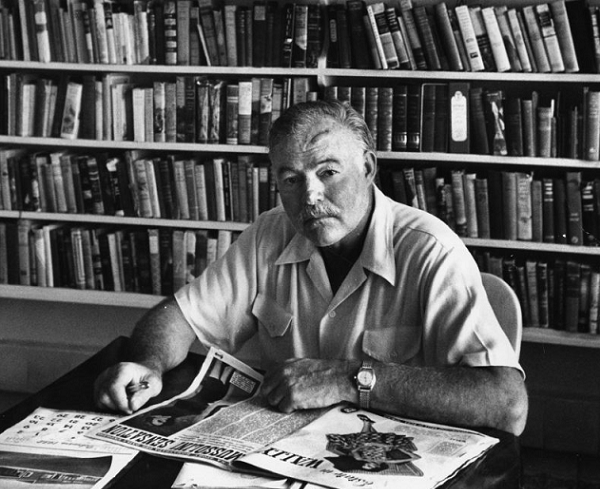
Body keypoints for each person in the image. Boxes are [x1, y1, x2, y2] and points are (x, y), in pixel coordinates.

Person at [94, 99, 528, 436]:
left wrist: (348, 379)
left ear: (368, 167)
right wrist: (147, 363)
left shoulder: (431, 249)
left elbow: (507, 404)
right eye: (291, 179)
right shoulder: (269, 234)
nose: (310, 196)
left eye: (328, 172)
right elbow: (180, 317)